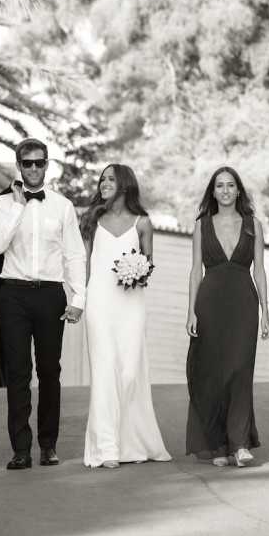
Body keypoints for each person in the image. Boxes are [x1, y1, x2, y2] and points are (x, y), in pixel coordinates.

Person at [0, 138, 87, 470]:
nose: (33, 168)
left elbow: (74, 254)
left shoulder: (62, 206)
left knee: (49, 371)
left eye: (39, 162)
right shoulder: (4, 203)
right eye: (27, 163)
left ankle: (48, 445)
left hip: (50, 294)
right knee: (17, 372)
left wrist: (79, 298)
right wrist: (18, 206)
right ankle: (21, 449)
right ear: (18, 165)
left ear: (47, 164)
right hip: (13, 294)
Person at [80, 164, 171, 469]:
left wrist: (138, 271)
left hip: (132, 305)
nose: (104, 183)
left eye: (111, 179)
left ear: (125, 185)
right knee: (105, 371)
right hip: (99, 303)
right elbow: (85, 266)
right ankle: (106, 448)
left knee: (130, 372)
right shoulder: (92, 220)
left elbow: (148, 265)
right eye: (102, 179)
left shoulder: (142, 222)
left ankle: (133, 443)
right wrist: (78, 300)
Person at [185, 167, 269, 467]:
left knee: (239, 371)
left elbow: (260, 270)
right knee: (211, 374)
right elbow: (195, 270)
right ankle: (218, 444)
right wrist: (190, 311)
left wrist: (265, 311)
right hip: (208, 304)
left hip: (244, 303)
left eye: (230, 185)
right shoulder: (201, 225)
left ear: (238, 191)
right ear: (213, 192)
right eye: (219, 186)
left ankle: (240, 443)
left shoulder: (253, 224)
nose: (225, 190)